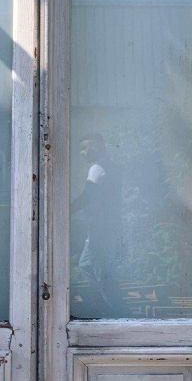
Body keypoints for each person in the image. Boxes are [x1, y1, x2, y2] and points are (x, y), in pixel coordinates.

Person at [70, 132, 129, 318]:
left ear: (96, 147)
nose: (82, 152)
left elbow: (87, 196)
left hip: (100, 228)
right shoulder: (111, 167)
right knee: (87, 264)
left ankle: (118, 312)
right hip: (106, 226)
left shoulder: (97, 168)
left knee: (102, 272)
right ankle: (107, 305)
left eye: (85, 148)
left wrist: (63, 211)